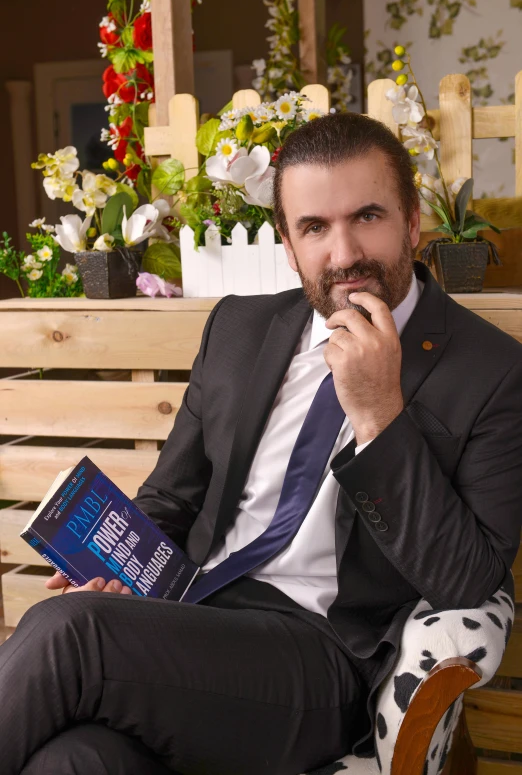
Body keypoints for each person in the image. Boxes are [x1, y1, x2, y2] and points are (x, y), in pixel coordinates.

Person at [1, 112, 521, 775]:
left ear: (412, 222)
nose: (343, 254)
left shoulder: (492, 372)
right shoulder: (240, 327)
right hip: (191, 624)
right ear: (288, 242)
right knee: (76, 758)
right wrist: (119, 577)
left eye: (366, 216)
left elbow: (467, 579)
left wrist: (380, 416)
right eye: (314, 227)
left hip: (324, 660)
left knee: (67, 632)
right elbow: (169, 499)